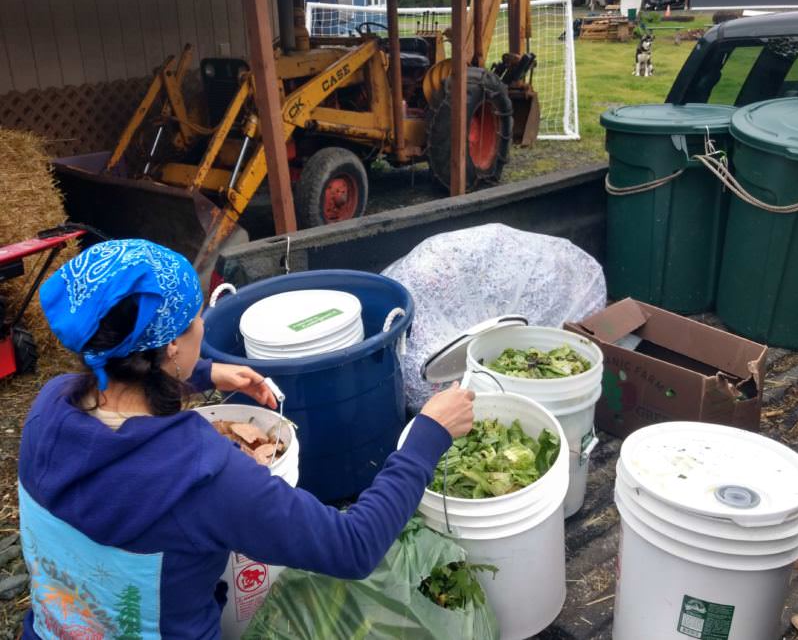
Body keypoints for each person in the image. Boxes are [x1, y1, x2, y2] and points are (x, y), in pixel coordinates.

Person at [18, 239, 474, 639]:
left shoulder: (47, 410)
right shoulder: (198, 476)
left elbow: (128, 368)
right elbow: (353, 547)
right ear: (170, 346)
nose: (201, 327)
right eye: (195, 319)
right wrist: (427, 436)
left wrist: (205, 372)